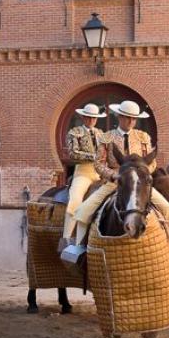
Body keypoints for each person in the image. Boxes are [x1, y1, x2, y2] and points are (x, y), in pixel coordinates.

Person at [68, 100, 169, 263]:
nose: (131, 121)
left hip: (138, 184)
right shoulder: (107, 137)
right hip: (115, 182)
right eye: (127, 117)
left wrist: (144, 173)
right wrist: (113, 175)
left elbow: (152, 162)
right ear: (119, 116)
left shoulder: (143, 137)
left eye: (133, 118)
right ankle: (80, 249)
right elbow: (98, 163)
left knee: (168, 210)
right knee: (84, 210)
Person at [60, 104, 105, 251]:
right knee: (75, 200)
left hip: (100, 173)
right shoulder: (74, 132)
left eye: (94, 118)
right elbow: (72, 154)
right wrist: (93, 156)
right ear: (83, 117)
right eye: (89, 117)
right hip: (83, 173)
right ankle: (66, 239)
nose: (91, 120)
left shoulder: (101, 134)